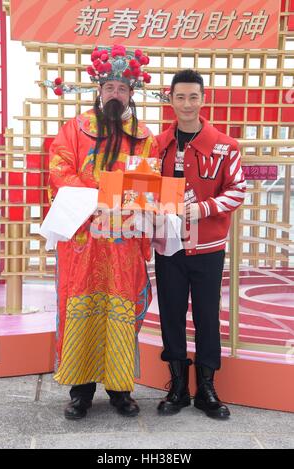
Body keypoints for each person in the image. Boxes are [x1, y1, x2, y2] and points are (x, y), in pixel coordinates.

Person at [48, 45, 158, 419]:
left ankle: (120, 389)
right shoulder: (74, 130)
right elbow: (58, 170)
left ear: (131, 93)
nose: (115, 94)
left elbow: (150, 185)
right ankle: (80, 391)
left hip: (123, 241)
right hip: (85, 241)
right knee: (80, 309)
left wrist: (127, 200)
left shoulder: (144, 138)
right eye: (109, 87)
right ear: (99, 90)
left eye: (122, 88)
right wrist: (98, 196)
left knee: (120, 312)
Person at [155, 70, 246, 419]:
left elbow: (237, 190)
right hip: (169, 246)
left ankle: (207, 389)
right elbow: (145, 186)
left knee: (208, 316)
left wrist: (203, 208)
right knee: (171, 315)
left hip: (208, 245)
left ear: (203, 99)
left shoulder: (226, 146)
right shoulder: (158, 144)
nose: (187, 104)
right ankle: (177, 386)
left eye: (193, 97)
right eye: (180, 97)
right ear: (171, 100)